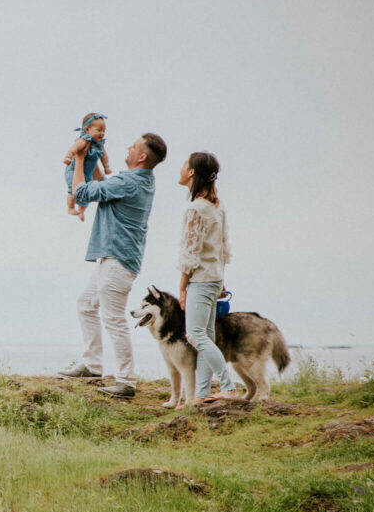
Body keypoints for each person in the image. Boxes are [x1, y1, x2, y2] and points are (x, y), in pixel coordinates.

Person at [57, 133, 168, 398]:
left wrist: (81, 156)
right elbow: (104, 184)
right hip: (113, 257)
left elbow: (83, 191)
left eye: (134, 146)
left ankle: (126, 381)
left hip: (117, 260)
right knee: (86, 304)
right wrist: (94, 158)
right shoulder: (139, 180)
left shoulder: (130, 182)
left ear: (141, 156)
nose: (128, 147)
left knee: (114, 320)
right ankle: (92, 365)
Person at [176, 151, 241, 405]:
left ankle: (228, 386)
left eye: (184, 165)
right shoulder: (217, 204)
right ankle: (201, 394)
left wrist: (182, 288)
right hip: (214, 277)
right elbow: (223, 246)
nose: (181, 168)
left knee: (195, 335)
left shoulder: (195, 208)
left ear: (192, 172)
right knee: (205, 335)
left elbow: (189, 253)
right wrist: (221, 279)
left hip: (201, 279)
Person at [63, 113, 113, 221]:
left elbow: (104, 156)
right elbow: (73, 149)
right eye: (99, 130)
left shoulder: (100, 145)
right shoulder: (83, 141)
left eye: (104, 130)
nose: (102, 133)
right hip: (73, 171)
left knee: (88, 192)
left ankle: (81, 210)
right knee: (73, 190)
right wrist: (68, 157)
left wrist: (107, 167)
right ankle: (70, 207)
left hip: (88, 174)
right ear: (87, 129)